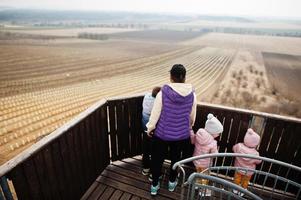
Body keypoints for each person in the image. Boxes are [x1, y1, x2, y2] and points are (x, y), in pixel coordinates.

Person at [146, 64, 197, 195]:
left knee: (157, 160)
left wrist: (150, 128)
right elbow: (192, 116)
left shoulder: (163, 93)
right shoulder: (192, 95)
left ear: (171, 77)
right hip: (181, 135)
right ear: (184, 77)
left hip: (162, 134)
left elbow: (155, 114)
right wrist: (188, 126)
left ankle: (154, 186)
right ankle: (171, 183)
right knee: (176, 159)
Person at [190, 113, 223, 196]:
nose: (218, 135)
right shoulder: (213, 143)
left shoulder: (198, 134)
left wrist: (190, 131)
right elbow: (214, 155)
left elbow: (192, 141)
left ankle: (197, 185)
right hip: (205, 164)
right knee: (205, 177)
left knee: (198, 173)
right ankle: (203, 190)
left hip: (196, 161)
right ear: (213, 132)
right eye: (218, 133)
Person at [232, 128, 262, 195]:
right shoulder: (255, 154)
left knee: (237, 179)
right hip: (248, 171)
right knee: (245, 181)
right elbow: (259, 161)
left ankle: (235, 189)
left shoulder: (239, 146)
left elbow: (233, 148)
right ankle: (242, 191)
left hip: (238, 169)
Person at [141, 86, 161, 176]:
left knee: (146, 148)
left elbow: (151, 93)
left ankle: (145, 169)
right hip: (154, 130)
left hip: (145, 128)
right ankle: (153, 173)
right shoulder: (157, 103)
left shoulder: (146, 97)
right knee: (155, 151)